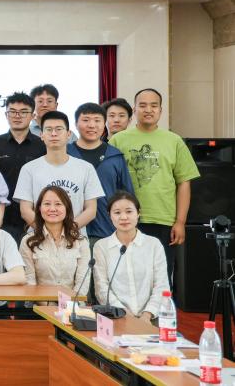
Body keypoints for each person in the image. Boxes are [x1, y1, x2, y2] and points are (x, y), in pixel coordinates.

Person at [109, 88, 200, 282]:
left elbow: (184, 182)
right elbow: (109, 182)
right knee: (125, 277)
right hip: (126, 219)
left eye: (154, 105)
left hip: (163, 220)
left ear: (160, 110)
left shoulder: (174, 141)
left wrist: (180, 222)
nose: (148, 110)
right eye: (142, 105)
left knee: (160, 278)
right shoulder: (118, 140)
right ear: (134, 110)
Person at [15, 111, 104, 231]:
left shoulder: (86, 168)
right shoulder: (28, 169)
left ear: (68, 134)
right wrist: (48, 232)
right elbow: (25, 210)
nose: (53, 134)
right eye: (48, 129)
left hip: (74, 237)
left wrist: (67, 232)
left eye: (59, 129)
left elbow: (91, 210)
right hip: (39, 237)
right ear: (41, 135)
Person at [93, 191, 169, 321]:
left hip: (151, 318)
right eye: (117, 212)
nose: (123, 217)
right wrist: (124, 314)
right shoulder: (101, 246)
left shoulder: (153, 244)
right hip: (117, 318)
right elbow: (101, 288)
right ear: (109, 215)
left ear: (138, 213)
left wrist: (147, 315)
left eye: (129, 211)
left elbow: (162, 285)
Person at [68, 103, 134, 245]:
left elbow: (127, 196)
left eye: (97, 120)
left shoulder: (115, 156)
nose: (92, 125)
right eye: (86, 120)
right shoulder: (66, 154)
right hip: (69, 231)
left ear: (104, 124)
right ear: (76, 124)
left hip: (108, 231)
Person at [0, 92, 47, 244]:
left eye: (23, 112)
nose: (17, 116)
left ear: (33, 115)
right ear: (6, 115)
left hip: (34, 216)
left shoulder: (42, 145)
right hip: (1, 217)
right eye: (12, 112)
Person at [18, 187, 90, 292]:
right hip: (38, 301)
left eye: (58, 204)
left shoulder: (81, 241)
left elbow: (82, 282)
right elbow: (29, 282)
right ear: (39, 208)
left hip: (72, 301)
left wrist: (69, 302)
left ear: (67, 208)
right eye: (47, 204)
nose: (52, 209)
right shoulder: (28, 241)